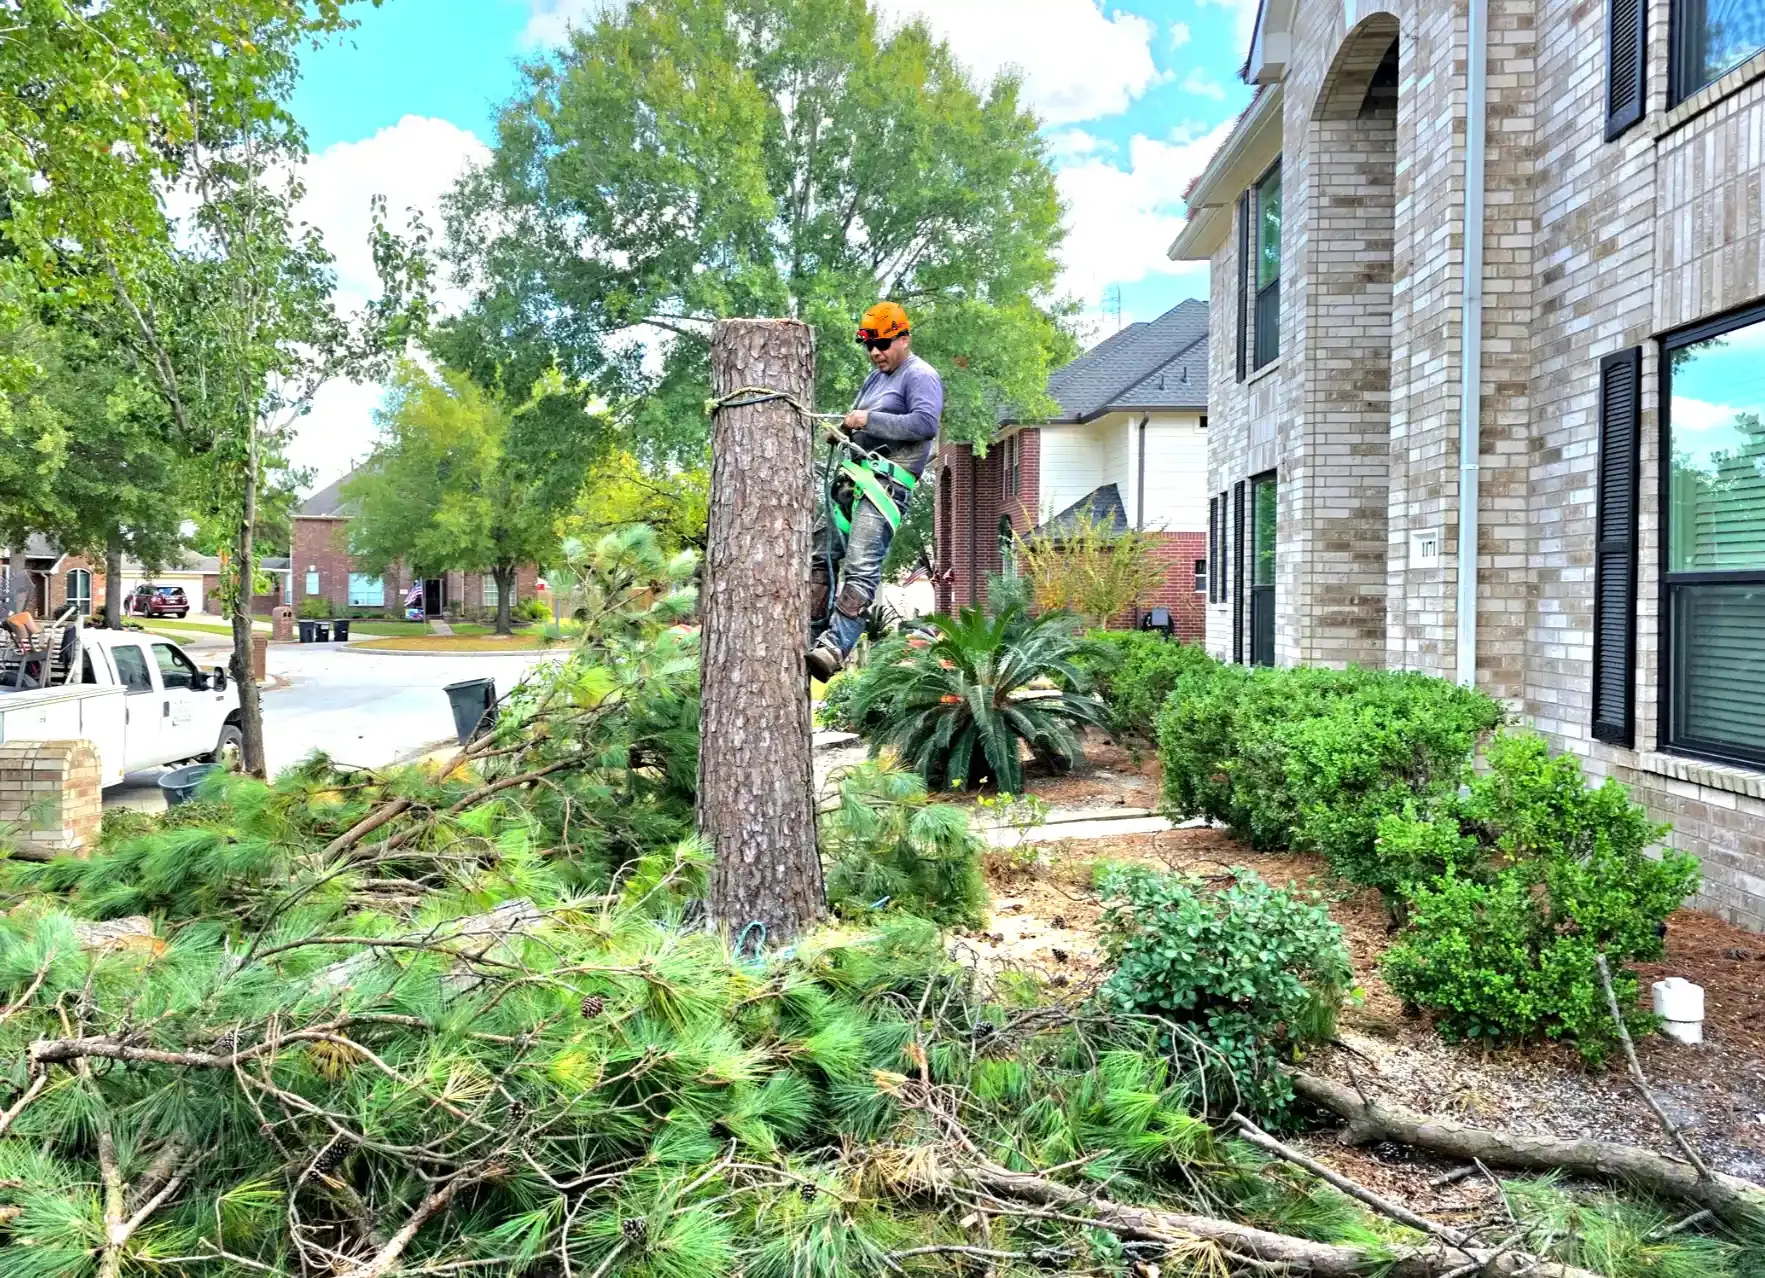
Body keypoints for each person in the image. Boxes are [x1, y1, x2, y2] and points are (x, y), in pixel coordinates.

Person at [806, 301, 943, 680]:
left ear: (904, 337)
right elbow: (863, 419)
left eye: (883, 344)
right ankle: (809, 635)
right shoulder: (875, 379)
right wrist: (846, 430)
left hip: (885, 485)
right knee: (822, 558)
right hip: (853, 478)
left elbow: (925, 423)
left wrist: (868, 419)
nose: (875, 352)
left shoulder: (920, 375)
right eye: (869, 345)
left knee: (862, 567)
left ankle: (836, 647)